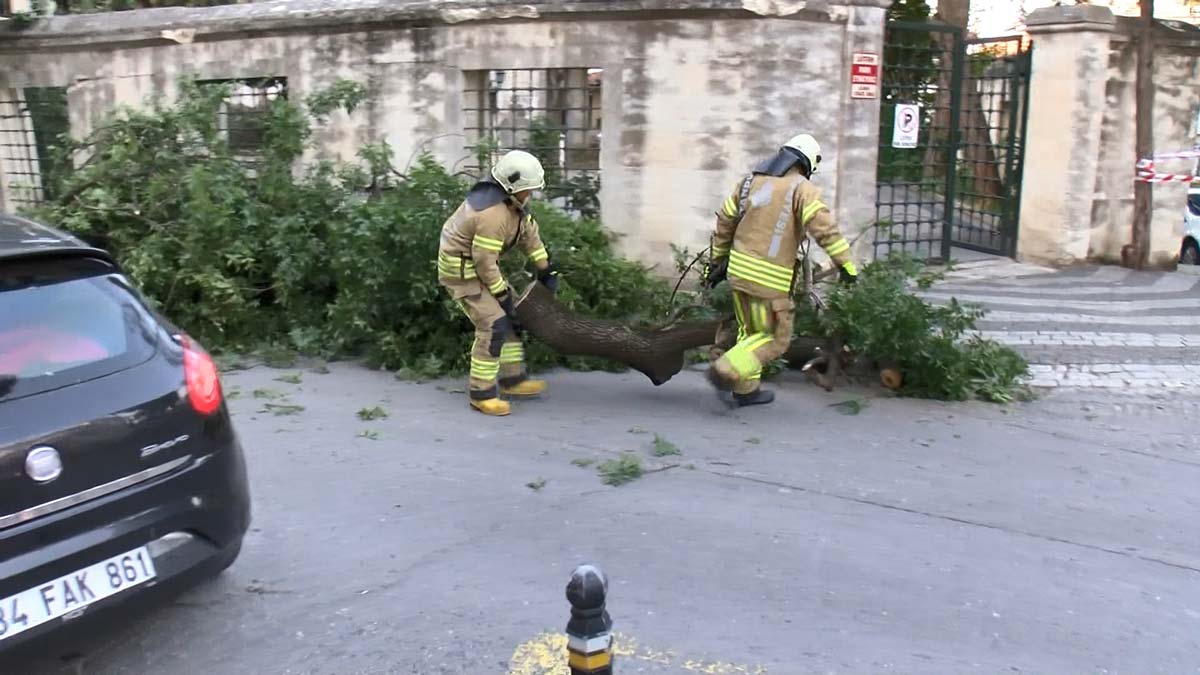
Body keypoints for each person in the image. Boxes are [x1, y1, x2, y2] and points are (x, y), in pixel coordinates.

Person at [702, 133, 858, 407]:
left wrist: (716, 262)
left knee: (749, 332)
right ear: (808, 163)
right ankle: (725, 370)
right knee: (774, 339)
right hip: (769, 281)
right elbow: (824, 228)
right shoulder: (802, 189)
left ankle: (745, 392)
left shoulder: (749, 182)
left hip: (738, 272)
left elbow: (725, 219)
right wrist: (846, 264)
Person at [437, 150, 561, 416]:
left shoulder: (515, 207)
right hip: (462, 274)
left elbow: (530, 238)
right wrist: (503, 297)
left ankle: (512, 380)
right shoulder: (492, 215)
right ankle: (481, 394)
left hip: (481, 269)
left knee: (513, 320)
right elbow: (484, 263)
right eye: (528, 190)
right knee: (494, 323)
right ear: (512, 188)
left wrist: (546, 271)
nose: (531, 195)